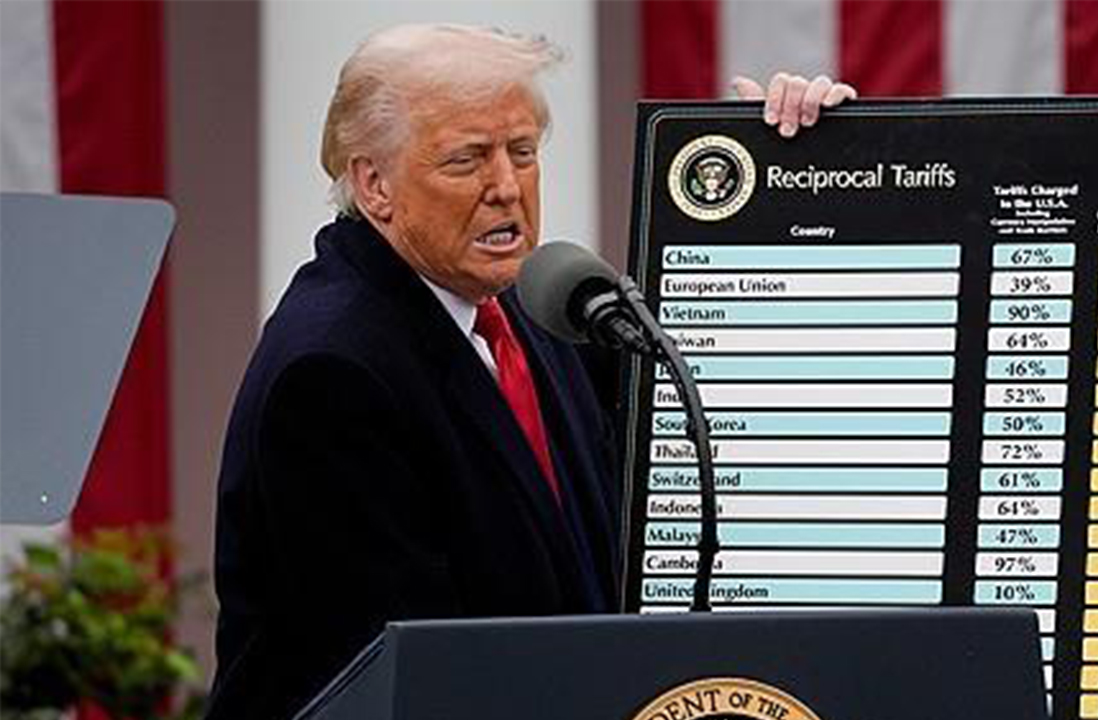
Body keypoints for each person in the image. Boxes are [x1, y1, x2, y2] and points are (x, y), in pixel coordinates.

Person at [207, 24, 855, 720]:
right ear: (374, 185)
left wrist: (791, 179)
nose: (507, 188)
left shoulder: (537, 305)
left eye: (522, 152)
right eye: (466, 160)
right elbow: (409, 679)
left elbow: (716, 404)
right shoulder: (332, 371)